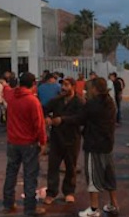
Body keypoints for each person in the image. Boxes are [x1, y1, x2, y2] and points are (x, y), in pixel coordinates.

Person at [51, 77, 119, 217]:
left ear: (94, 89)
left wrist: (61, 119)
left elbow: (79, 118)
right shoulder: (110, 102)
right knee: (109, 175)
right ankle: (113, 204)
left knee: (93, 177)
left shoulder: (92, 104)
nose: (86, 91)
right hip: (107, 144)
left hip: (94, 144)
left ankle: (94, 209)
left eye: (88, 89)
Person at [1, 72, 47, 217]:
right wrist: (43, 141)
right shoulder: (33, 101)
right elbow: (39, 124)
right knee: (30, 176)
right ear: (33, 84)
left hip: (13, 141)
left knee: (11, 173)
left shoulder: (12, 96)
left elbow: (5, 89)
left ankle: (8, 204)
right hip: (29, 143)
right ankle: (30, 208)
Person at [43, 77, 84, 205]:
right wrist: (47, 119)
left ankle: (69, 192)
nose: (63, 88)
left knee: (71, 168)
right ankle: (51, 193)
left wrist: (63, 120)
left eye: (66, 85)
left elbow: (81, 119)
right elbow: (43, 109)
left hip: (72, 139)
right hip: (56, 139)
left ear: (73, 86)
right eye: (62, 85)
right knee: (53, 167)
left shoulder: (80, 102)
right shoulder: (56, 101)